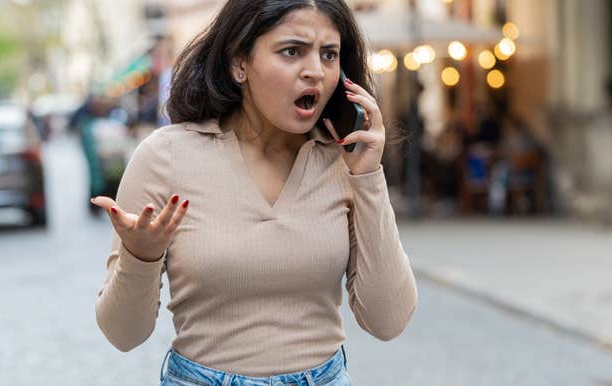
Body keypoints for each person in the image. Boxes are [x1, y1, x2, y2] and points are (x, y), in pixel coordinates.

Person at [91, 1, 418, 385]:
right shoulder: (165, 157)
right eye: (292, 51)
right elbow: (122, 335)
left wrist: (369, 177)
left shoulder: (343, 161)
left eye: (329, 54)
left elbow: (389, 320)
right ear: (239, 64)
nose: (315, 70)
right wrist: (140, 255)